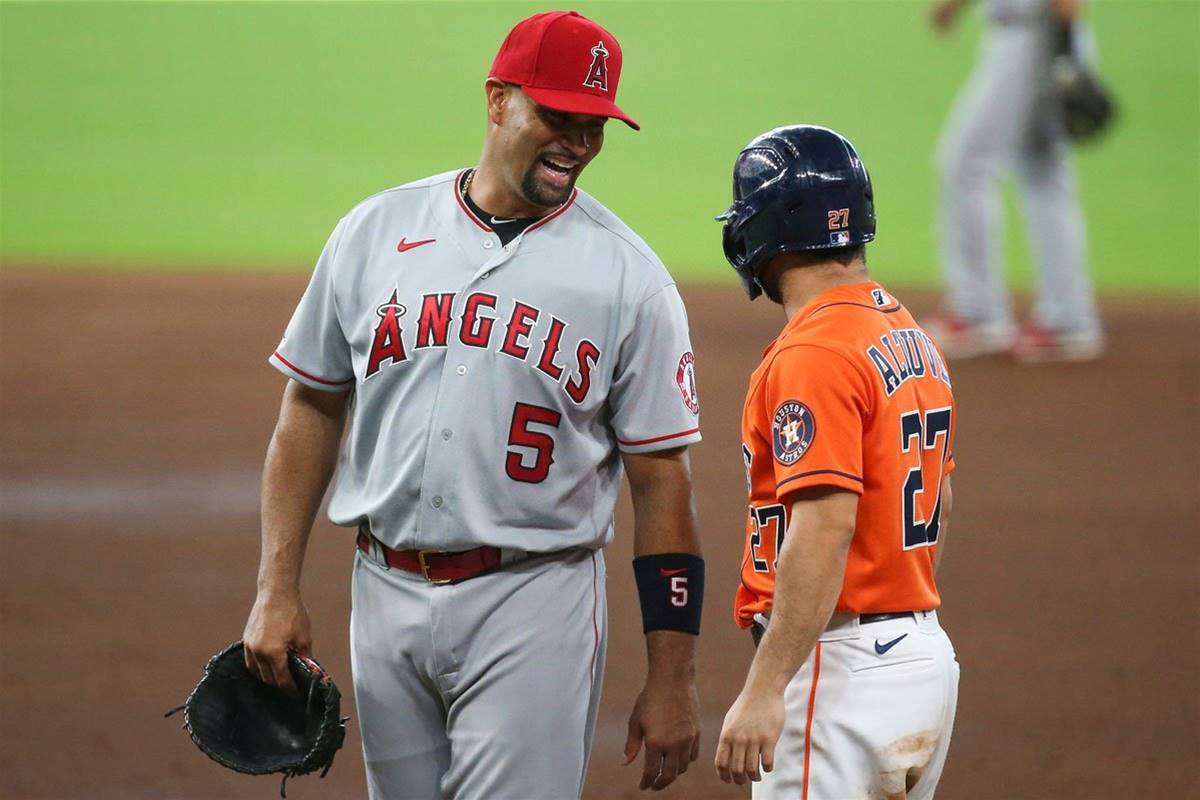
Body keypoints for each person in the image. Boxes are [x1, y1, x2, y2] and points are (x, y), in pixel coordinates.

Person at [240, 11, 705, 799]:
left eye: (593, 127)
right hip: (382, 593)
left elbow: (663, 483)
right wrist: (274, 588)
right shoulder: (375, 232)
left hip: (534, 605)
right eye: (558, 116)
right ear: (497, 100)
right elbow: (310, 406)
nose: (577, 143)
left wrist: (674, 678)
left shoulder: (631, 280)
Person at [712, 125, 960, 799]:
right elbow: (923, 501)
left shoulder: (815, 352)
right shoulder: (908, 334)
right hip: (920, 660)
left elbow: (825, 525)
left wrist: (766, 687)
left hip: (841, 672)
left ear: (770, 226)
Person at [927, 0, 1104, 362]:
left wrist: (1065, 47)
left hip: (1037, 39)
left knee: (966, 165)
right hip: (1035, 37)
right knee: (1043, 173)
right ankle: (1067, 317)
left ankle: (978, 311)